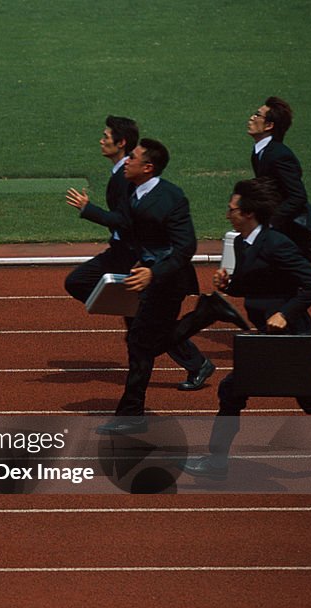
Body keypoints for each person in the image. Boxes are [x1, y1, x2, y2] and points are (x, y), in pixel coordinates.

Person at [182, 178, 311, 480]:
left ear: (248, 214)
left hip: (289, 340)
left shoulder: (276, 243)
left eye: (232, 209)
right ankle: (217, 461)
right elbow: (255, 284)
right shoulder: (244, 243)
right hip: (269, 339)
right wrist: (229, 284)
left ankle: (216, 461)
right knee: (307, 399)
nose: (227, 214)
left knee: (236, 390)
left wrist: (285, 313)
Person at [66, 139, 209, 434]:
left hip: (169, 281)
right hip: (146, 275)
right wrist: (88, 209)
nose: (126, 160)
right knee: (141, 342)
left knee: (142, 343)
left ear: (148, 167)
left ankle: (207, 315)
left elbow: (185, 248)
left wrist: (153, 273)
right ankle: (132, 412)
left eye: (133, 156)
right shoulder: (134, 192)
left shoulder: (171, 197)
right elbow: (123, 223)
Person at [247, 97, 311, 259]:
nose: (252, 118)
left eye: (257, 115)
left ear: (269, 125)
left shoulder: (279, 155)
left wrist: (271, 222)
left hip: (289, 227)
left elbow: (298, 196)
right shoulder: (259, 151)